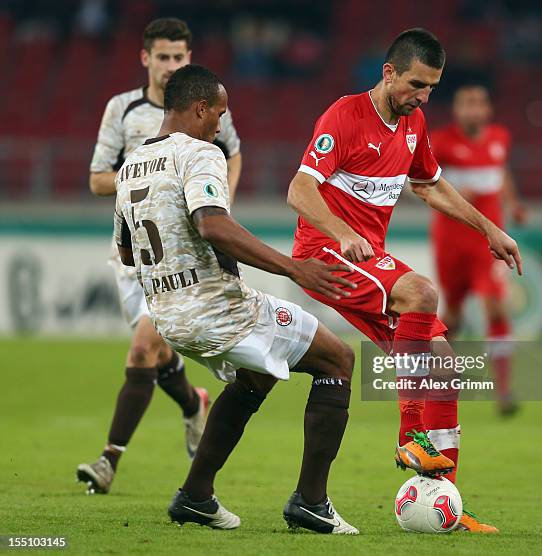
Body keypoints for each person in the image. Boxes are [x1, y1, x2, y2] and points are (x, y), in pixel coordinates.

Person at [288, 28, 522, 533]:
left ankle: (447, 504)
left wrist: (489, 228)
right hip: (326, 253)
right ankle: (409, 435)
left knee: (445, 365)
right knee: (422, 292)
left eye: (432, 88)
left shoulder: (414, 123)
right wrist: (341, 230)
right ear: (388, 71)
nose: (423, 97)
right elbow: (300, 190)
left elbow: (430, 185)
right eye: (417, 84)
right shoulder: (344, 117)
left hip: (369, 257)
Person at [114, 64, 360, 534]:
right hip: (217, 309)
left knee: (257, 375)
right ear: (200, 106)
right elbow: (212, 223)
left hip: (167, 317)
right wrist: (294, 267)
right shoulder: (201, 152)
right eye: (220, 113)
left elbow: (128, 251)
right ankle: (311, 503)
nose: (222, 124)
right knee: (338, 358)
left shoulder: (131, 166)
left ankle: (196, 496)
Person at [78, 18, 242, 495]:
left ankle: (108, 459)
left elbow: (230, 153)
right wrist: (149, 176)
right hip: (133, 254)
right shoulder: (123, 109)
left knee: (144, 349)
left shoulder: (204, 104)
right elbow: (95, 179)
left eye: (179, 57)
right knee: (158, 351)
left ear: (188, 59)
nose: (172, 65)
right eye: (163, 57)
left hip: (182, 255)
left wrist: (217, 203)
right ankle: (193, 404)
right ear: (145, 58)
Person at [430, 84, 527, 416]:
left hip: (488, 244)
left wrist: (513, 203)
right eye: (466, 103)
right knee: (452, 316)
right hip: (450, 243)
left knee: (496, 308)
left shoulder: (499, 137)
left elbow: (501, 172)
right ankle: (439, 383)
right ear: (456, 110)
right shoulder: (440, 143)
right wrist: (456, 193)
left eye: (479, 103)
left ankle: (504, 392)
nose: (473, 109)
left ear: (487, 110)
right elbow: (422, 183)